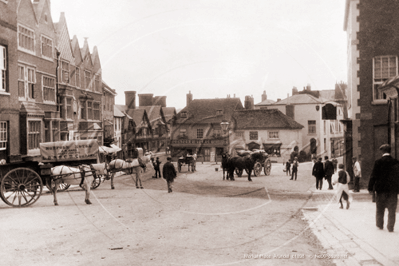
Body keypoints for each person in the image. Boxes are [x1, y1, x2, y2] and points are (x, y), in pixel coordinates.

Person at [368, 144, 399, 232]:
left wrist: (370, 188)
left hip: (381, 190)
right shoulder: (396, 162)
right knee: (392, 209)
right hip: (393, 190)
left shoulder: (378, 162)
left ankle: (380, 224)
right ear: (390, 151)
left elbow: (373, 175)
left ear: (382, 151)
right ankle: (390, 227)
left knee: (380, 208)